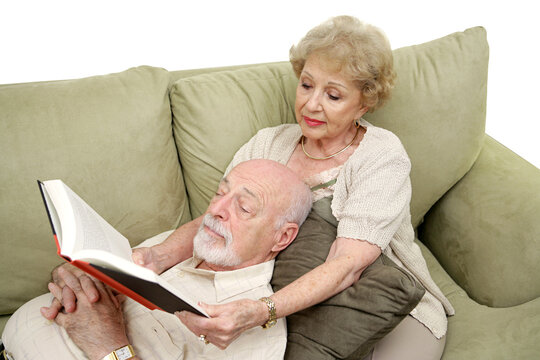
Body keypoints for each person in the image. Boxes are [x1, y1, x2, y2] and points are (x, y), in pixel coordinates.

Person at [40, 15, 455, 360]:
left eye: (333, 95)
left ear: (364, 104)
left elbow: (348, 265)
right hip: (282, 291)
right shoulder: (269, 142)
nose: (311, 104)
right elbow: (216, 215)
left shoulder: (381, 155)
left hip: (378, 296)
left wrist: (261, 312)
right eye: (307, 84)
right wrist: (153, 256)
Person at [1, 159, 313, 360]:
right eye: (220, 193)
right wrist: (74, 275)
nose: (215, 210)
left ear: (281, 237)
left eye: (244, 208)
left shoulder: (251, 333)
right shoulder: (174, 247)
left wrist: (110, 347)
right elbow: (89, 277)